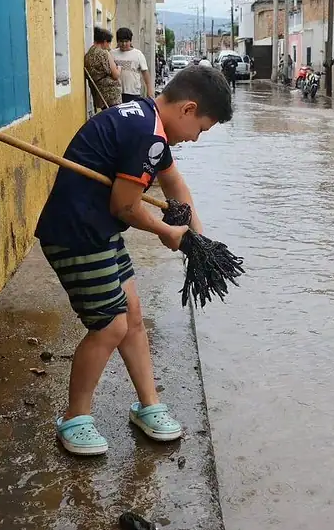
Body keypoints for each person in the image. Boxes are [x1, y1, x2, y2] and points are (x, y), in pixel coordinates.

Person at [34, 66, 234, 456]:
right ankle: (74, 417)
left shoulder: (147, 119)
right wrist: (166, 231)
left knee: (133, 315)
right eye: (201, 129)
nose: (195, 138)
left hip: (98, 231)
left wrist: (198, 237)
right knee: (110, 325)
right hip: (76, 236)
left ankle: (148, 405)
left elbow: (175, 186)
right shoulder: (148, 135)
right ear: (188, 109)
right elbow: (125, 206)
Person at [112, 27, 154, 103]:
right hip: (116, 92)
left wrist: (149, 90)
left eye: (126, 41)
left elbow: (145, 73)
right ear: (117, 41)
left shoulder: (138, 54)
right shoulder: (112, 54)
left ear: (130, 41)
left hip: (133, 93)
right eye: (121, 41)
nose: (124, 44)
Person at [84, 27, 122, 110]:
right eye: (109, 43)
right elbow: (115, 75)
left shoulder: (88, 54)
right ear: (105, 41)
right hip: (111, 95)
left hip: (99, 94)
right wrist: (119, 68)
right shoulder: (104, 53)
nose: (109, 46)